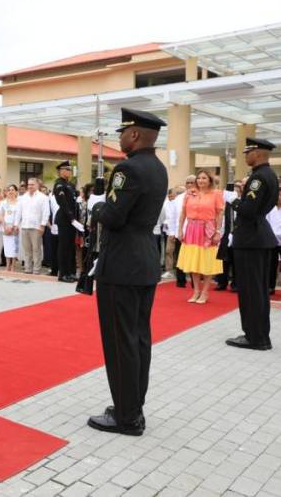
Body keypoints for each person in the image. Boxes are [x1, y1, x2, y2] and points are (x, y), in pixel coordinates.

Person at [87, 108, 168, 437]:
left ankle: (126, 417)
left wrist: (96, 205)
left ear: (134, 134)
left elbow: (115, 216)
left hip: (121, 265)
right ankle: (131, 404)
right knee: (138, 339)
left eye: (122, 132)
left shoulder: (128, 168)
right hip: (143, 261)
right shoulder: (158, 168)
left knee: (121, 342)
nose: (119, 137)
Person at [226, 137, 278, 351]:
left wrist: (232, 199)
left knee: (250, 291)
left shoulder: (258, 178)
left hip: (250, 240)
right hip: (258, 238)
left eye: (248, 152)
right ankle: (258, 335)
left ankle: (255, 338)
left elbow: (248, 210)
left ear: (257, 153)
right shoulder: (270, 175)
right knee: (258, 291)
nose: (246, 156)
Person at [176, 169, 224, 303]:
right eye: (199, 178)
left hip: (207, 230)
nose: (201, 181)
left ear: (209, 180)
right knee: (193, 262)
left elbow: (220, 214)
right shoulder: (189, 194)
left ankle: (204, 292)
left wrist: (218, 231)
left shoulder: (216, 194)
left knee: (207, 262)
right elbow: (183, 213)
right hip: (191, 229)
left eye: (204, 178)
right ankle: (196, 291)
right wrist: (180, 230)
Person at [53, 161, 79, 283]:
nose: (69, 171)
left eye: (70, 169)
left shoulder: (71, 185)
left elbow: (74, 203)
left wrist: (75, 219)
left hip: (72, 220)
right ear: (61, 171)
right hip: (65, 219)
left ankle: (71, 272)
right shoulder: (59, 185)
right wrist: (71, 218)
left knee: (70, 247)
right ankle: (63, 273)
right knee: (64, 247)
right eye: (67, 169)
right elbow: (62, 203)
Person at [18, 178, 49, 274]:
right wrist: (16, 224)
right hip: (25, 226)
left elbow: (46, 212)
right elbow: (19, 212)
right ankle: (28, 268)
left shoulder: (43, 197)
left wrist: (43, 225)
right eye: (29, 184)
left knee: (36, 249)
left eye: (32, 184)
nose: (30, 186)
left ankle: (36, 269)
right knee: (27, 250)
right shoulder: (23, 197)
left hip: (36, 227)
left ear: (37, 185)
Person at [0, 185, 21, 272]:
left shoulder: (19, 203)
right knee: (7, 247)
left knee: (14, 247)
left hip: (15, 227)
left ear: (16, 192)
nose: (11, 192)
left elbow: (19, 216)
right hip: (6, 227)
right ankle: (7, 264)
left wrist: (14, 226)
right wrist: (5, 226)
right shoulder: (4, 203)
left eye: (12, 190)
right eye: (9, 190)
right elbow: (2, 216)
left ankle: (13, 266)